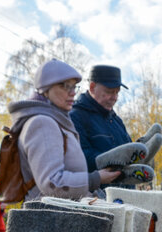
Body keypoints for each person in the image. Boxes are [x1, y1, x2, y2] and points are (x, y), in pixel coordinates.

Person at [6, 59, 120, 201]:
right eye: (66, 87)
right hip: (50, 219)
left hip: (60, 217)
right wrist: (95, 178)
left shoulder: (57, 122)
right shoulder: (42, 123)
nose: (72, 93)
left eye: (74, 87)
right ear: (45, 89)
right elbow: (53, 183)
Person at [70, 65, 132, 172]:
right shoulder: (75, 117)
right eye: (109, 92)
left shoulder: (117, 121)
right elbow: (80, 158)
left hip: (125, 188)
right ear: (92, 87)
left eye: (117, 92)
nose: (115, 98)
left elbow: (130, 153)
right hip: (95, 188)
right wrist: (115, 160)